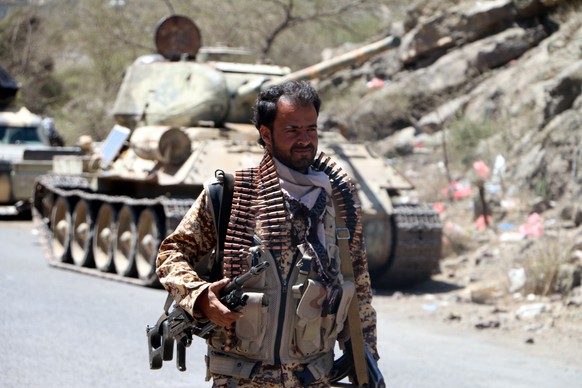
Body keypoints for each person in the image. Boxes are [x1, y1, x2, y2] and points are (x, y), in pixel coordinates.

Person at [156, 80, 378, 387]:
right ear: (266, 134)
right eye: (292, 130)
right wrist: (199, 295)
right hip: (243, 376)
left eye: (310, 129)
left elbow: (359, 289)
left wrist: (366, 360)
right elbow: (173, 253)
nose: (305, 140)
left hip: (312, 376)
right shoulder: (232, 195)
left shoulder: (338, 202)